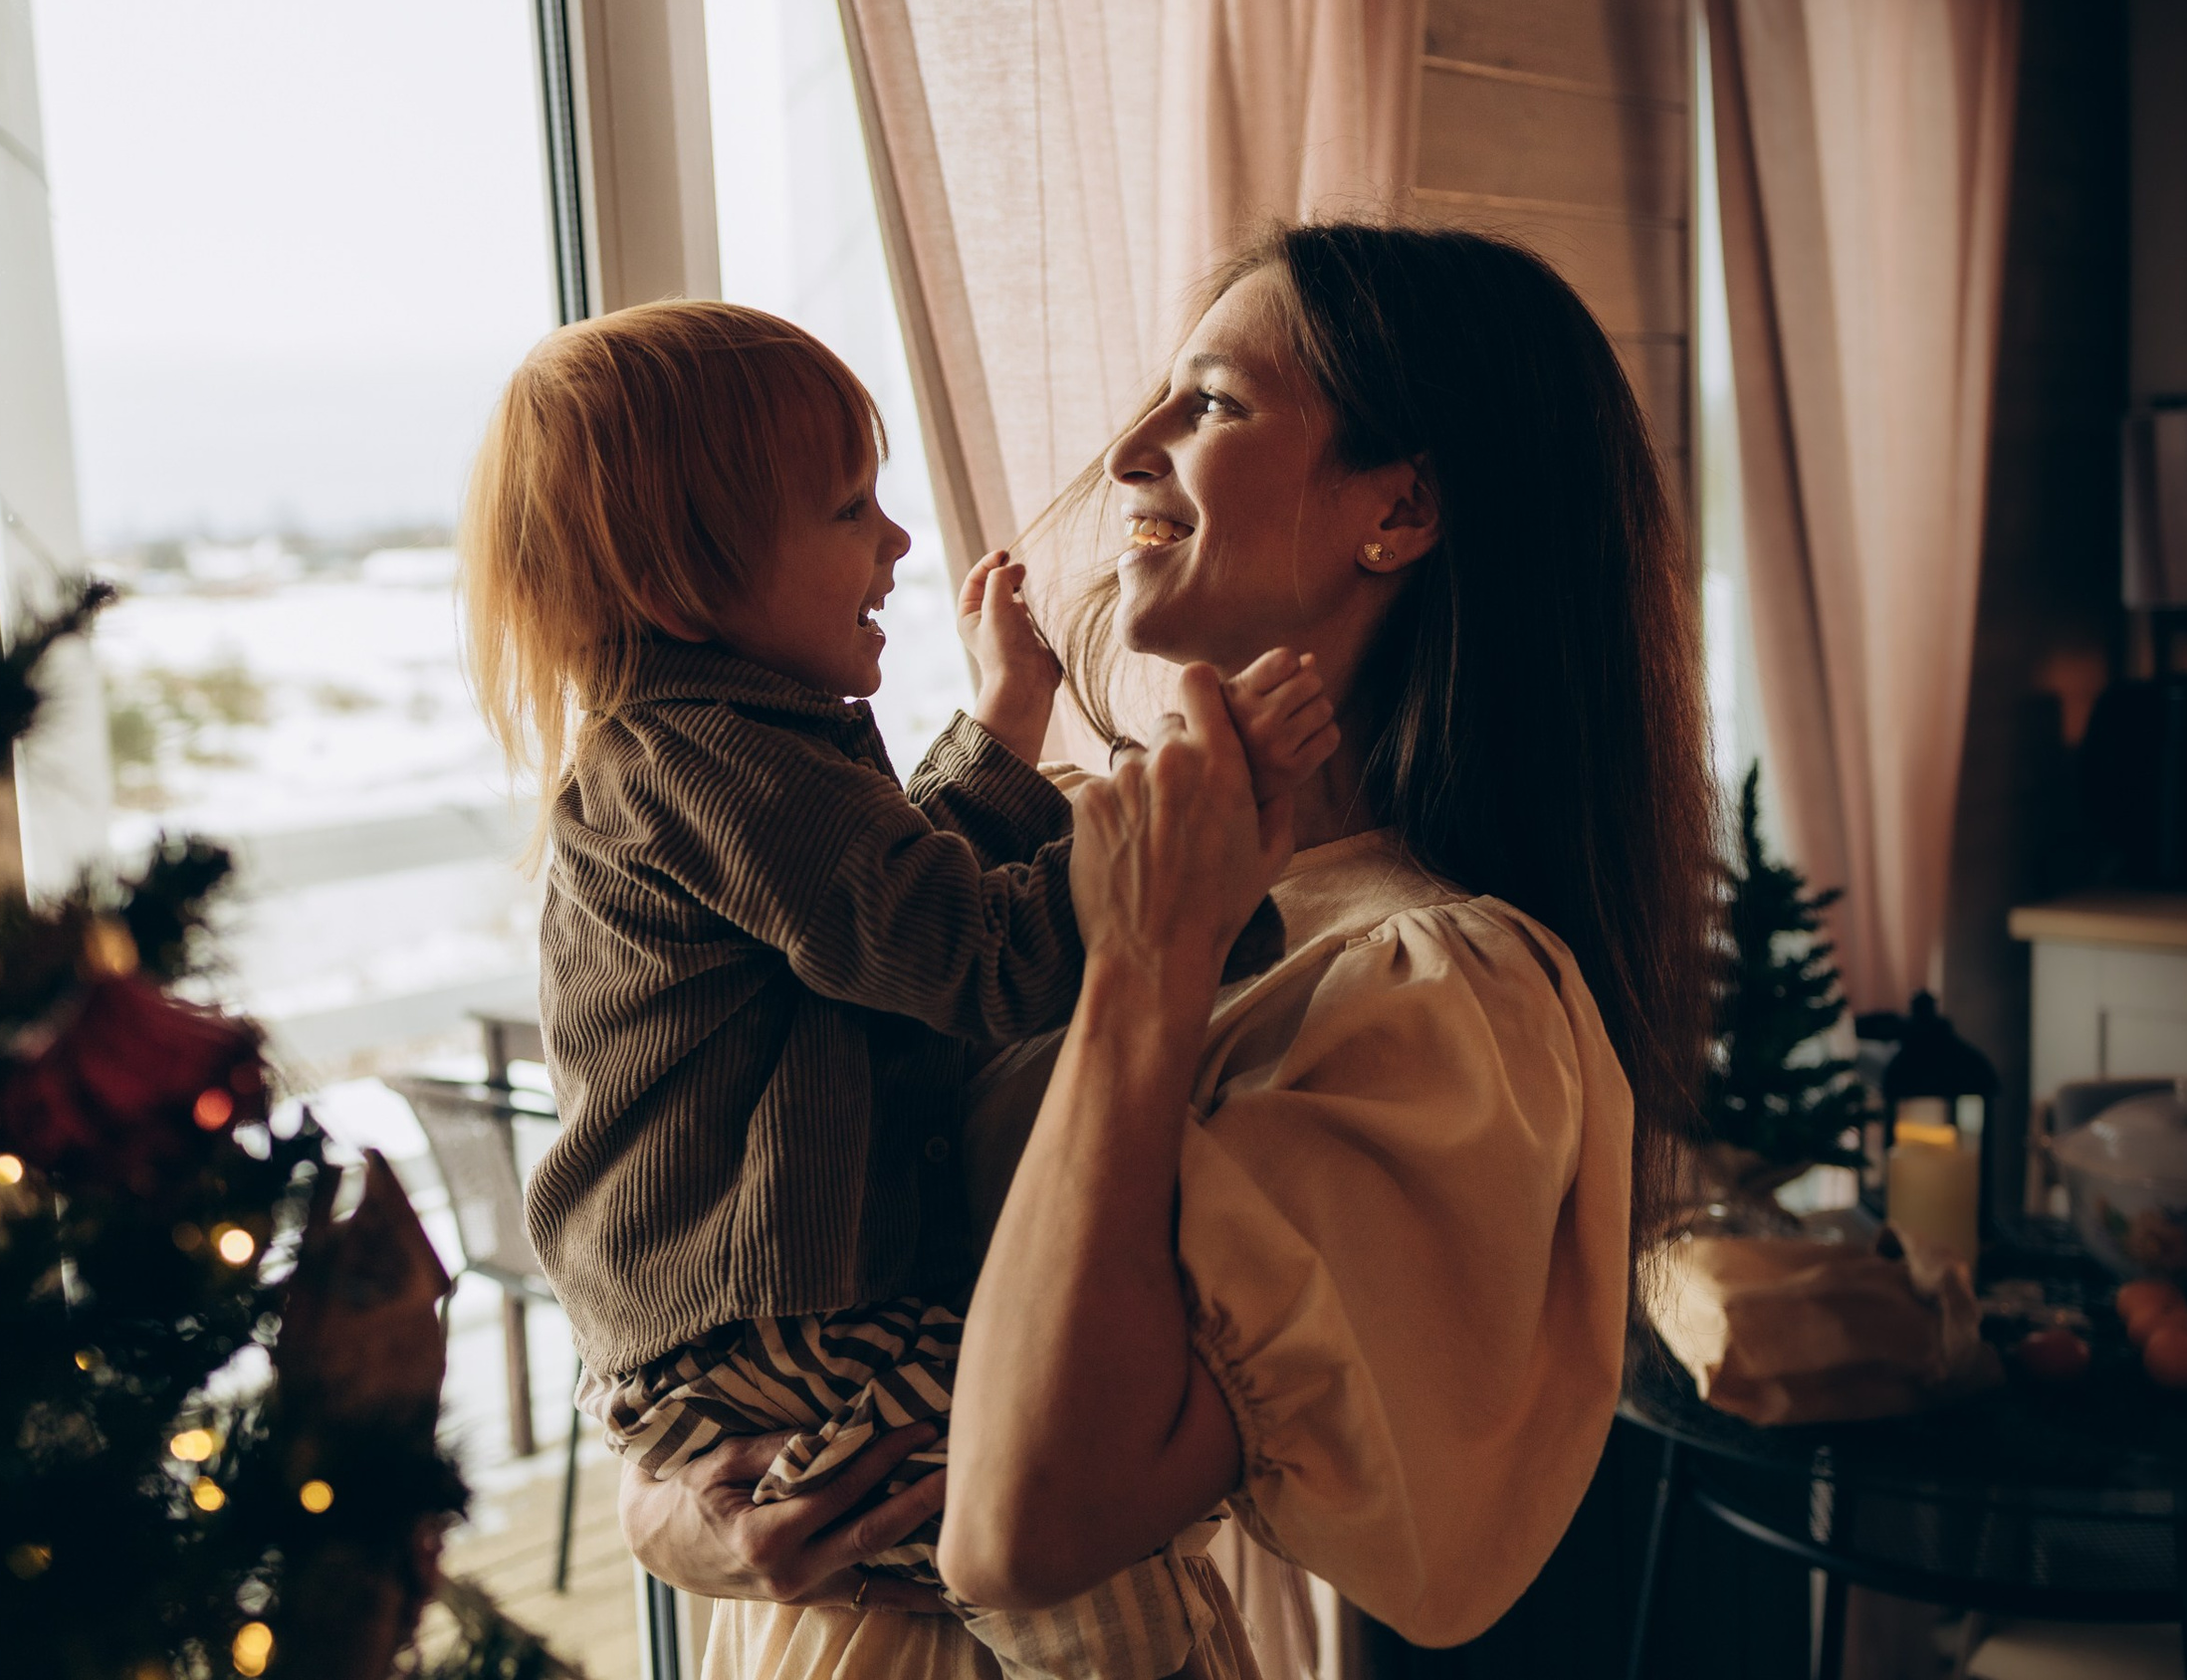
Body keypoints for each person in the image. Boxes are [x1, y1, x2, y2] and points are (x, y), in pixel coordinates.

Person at [615, 222, 1717, 1680]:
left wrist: (1150, 967)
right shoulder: (1058, 855)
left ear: (1401, 508)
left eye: (1209, 402)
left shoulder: (1447, 1001)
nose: (1131, 446)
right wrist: (684, 1517)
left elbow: (1024, 1529)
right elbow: (691, 1233)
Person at [456, 301, 1337, 1680]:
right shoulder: (703, 757)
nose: (899, 543)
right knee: (1040, 1486)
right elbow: (960, 949)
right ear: (685, 581)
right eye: (849, 508)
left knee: (1023, 1473)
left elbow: (876, 908)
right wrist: (1191, 820)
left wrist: (1002, 729)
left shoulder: (717, 753)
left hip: (737, 1335)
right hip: (779, 1320)